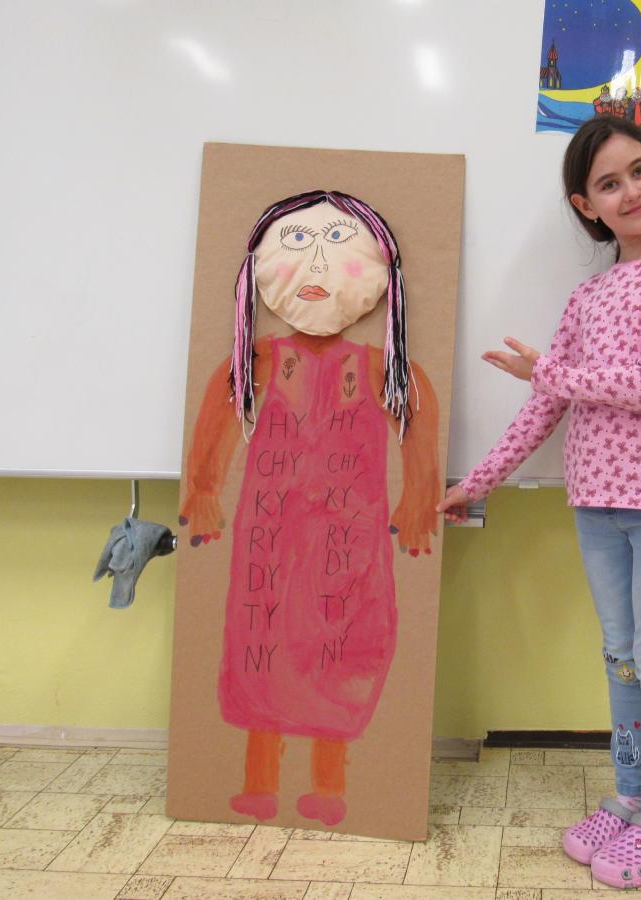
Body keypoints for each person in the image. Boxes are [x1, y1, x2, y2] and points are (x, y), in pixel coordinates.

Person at [436, 115, 641, 889]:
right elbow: (546, 406)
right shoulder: (587, 296)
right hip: (596, 504)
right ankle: (630, 796)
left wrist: (549, 372)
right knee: (621, 660)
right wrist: (476, 482)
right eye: (608, 184)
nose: (631, 191)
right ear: (586, 205)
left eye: (639, 171)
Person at [181, 190, 440, 827]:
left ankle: (329, 787)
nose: (318, 271)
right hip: (270, 543)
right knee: (261, 649)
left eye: (338, 255)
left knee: (338, 652)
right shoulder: (260, 361)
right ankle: (258, 783)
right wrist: (203, 489)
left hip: (346, 546)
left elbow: (419, 412)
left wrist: (418, 496)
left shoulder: (378, 367)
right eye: (298, 253)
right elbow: (218, 411)